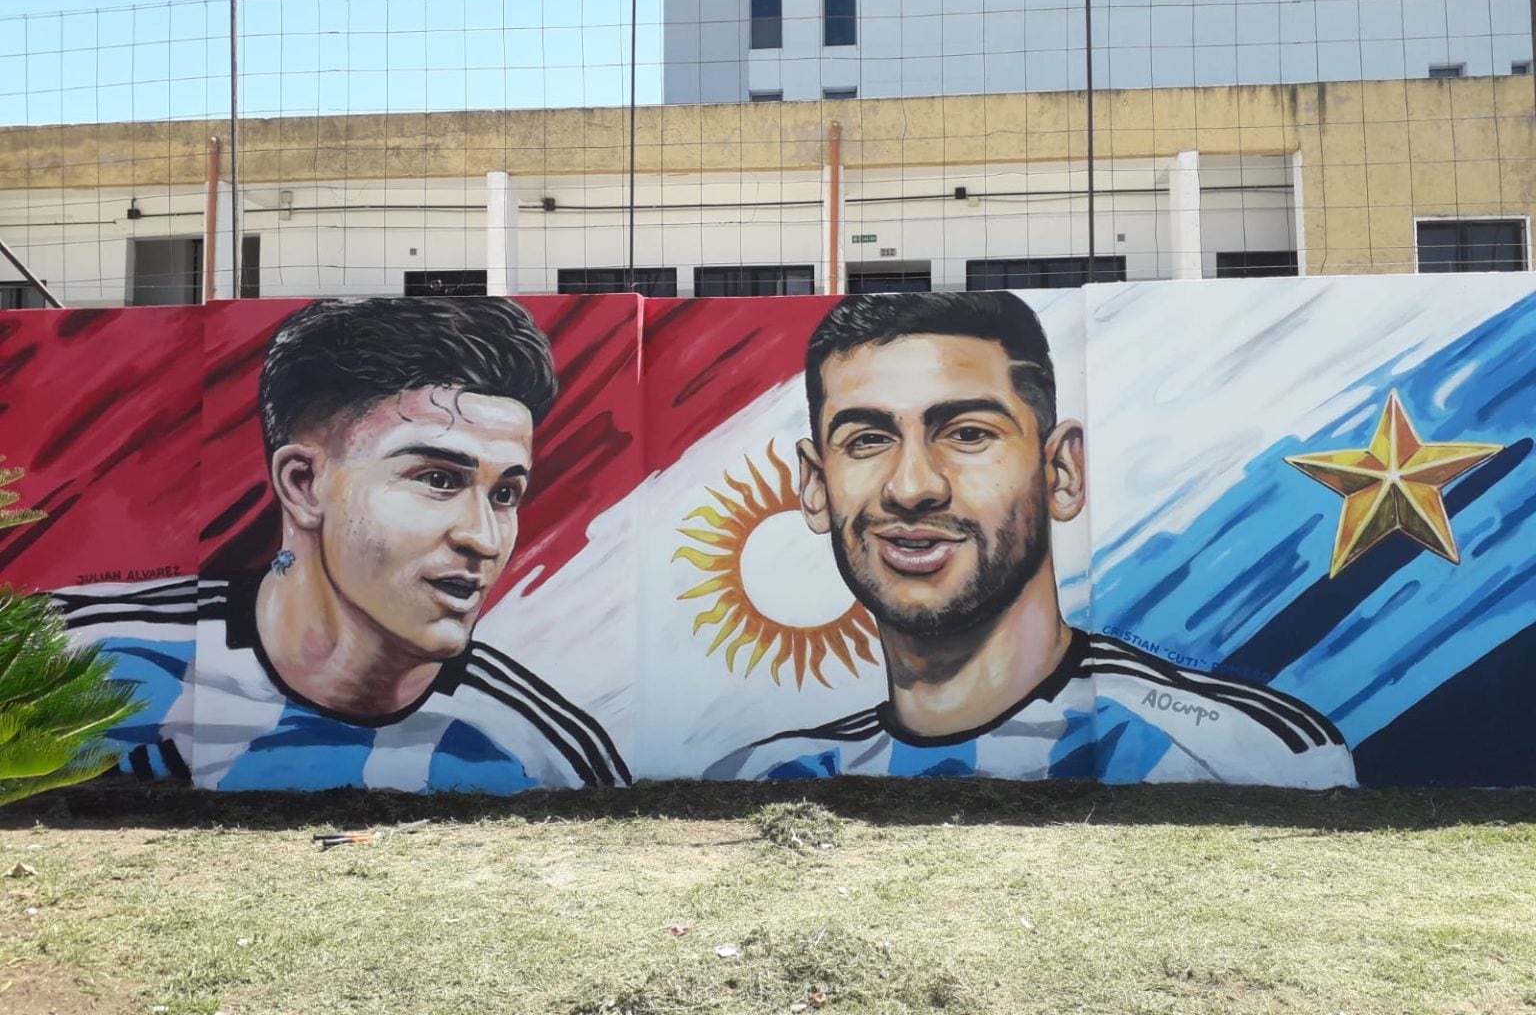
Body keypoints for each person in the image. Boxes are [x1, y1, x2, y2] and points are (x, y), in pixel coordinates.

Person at [707, 291, 1355, 788]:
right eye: (868, 439)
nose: (911, 487)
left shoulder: (1241, 755)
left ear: (1061, 472)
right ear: (818, 487)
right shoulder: (769, 775)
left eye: (966, 433)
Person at [59, 297, 629, 793]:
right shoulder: (79, 655)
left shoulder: (543, 750)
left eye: (505, 493)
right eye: (437, 479)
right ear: (303, 484)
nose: (482, 537)